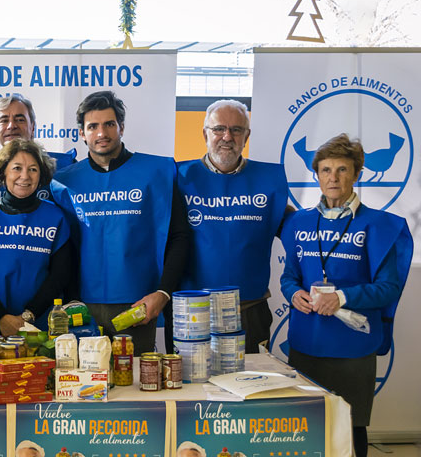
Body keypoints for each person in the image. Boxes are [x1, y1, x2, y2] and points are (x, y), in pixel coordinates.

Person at [280, 134, 412, 457]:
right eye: (325, 170)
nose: (333, 177)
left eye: (342, 169)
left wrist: (342, 297)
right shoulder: (299, 222)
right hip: (306, 345)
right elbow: (288, 276)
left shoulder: (379, 226)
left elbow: (389, 288)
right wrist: (293, 292)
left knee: (352, 430)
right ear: (317, 175)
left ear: (357, 174)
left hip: (353, 349)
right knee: (304, 429)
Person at [51, 91, 189, 354]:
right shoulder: (62, 182)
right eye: (92, 126)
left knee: (136, 385)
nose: (101, 133)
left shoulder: (156, 173)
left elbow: (179, 236)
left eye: (109, 124)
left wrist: (163, 293)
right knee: (84, 386)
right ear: (82, 133)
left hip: (138, 306)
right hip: (81, 309)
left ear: (121, 127)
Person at [176, 99, 289, 352]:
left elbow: (298, 232)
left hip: (249, 310)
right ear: (205, 133)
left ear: (246, 136)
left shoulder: (269, 182)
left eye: (236, 130)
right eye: (218, 129)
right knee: (192, 389)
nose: (227, 136)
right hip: (194, 311)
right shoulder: (177, 178)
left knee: (251, 387)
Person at [0, 139, 72, 336]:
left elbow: (59, 276)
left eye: (33, 169)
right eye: (17, 168)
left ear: (41, 174)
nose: (25, 176)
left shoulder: (56, 218)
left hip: (41, 325)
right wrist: (2, 317)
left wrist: (27, 317)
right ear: (3, 171)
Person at [0, 94, 76, 212]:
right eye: (4, 120)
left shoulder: (65, 168)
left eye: (20, 119)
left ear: (32, 128)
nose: (11, 126)